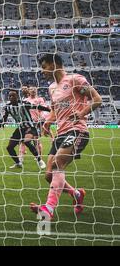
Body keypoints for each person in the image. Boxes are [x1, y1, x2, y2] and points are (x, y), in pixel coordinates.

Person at [30, 53, 102, 219]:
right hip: (61, 133)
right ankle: (77, 194)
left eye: (44, 66)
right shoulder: (51, 88)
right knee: (49, 175)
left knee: (57, 164)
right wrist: (48, 121)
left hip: (77, 130)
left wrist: (82, 112)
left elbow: (97, 99)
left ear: (55, 64)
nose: (42, 71)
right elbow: (55, 109)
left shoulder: (75, 79)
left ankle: (48, 209)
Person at [0, 89, 50, 170]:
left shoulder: (24, 104)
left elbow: (37, 107)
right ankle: (18, 163)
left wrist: (49, 110)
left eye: (13, 95)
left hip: (30, 127)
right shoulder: (8, 107)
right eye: (9, 96)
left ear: (17, 96)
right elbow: (4, 117)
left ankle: (39, 160)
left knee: (27, 141)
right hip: (20, 128)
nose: (11, 97)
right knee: (9, 147)